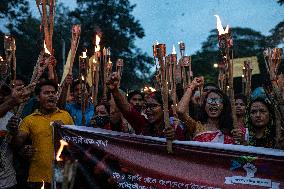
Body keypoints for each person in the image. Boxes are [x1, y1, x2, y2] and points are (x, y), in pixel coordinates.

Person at [12, 80, 74, 189]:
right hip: (38, 177)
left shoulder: (66, 116)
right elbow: (17, 143)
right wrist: (22, 146)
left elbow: (75, 143)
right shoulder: (29, 120)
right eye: (46, 93)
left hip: (62, 176)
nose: (51, 95)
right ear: (37, 97)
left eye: (53, 93)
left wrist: (64, 130)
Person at [106, 72, 183, 140]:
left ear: (165, 108)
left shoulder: (174, 127)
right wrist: (114, 90)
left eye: (153, 106)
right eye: (146, 106)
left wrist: (173, 137)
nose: (148, 110)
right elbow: (127, 110)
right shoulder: (143, 125)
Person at [177, 77, 234, 143]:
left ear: (223, 106)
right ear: (205, 106)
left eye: (217, 101)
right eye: (210, 100)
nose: (213, 104)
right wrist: (192, 87)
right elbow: (180, 111)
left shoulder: (232, 130)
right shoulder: (197, 126)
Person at [0, 83, 33, 189]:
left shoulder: (15, 120)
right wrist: (12, 101)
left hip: (7, 182)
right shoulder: (11, 103)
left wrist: (14, 133)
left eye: (4, 94)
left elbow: (16, 148)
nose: (0, 96)